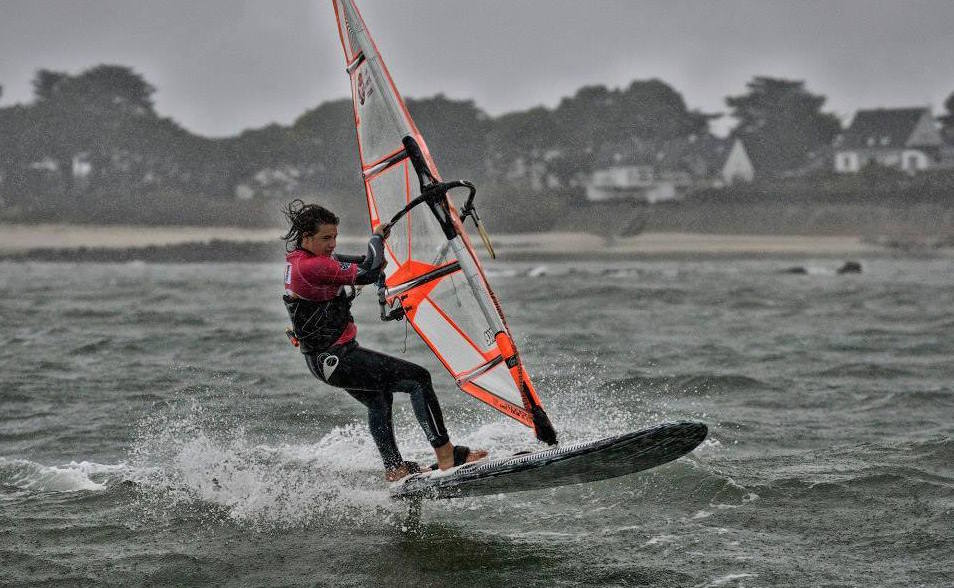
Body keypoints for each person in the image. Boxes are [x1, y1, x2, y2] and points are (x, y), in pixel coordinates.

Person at [280, 199, 487, 482]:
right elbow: (368, 272)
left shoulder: (300, 260)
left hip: (326, 361)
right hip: (337, 359)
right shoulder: (312, 267)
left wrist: (376, 248)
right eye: (326, 238)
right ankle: (446, 454)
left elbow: (364, 262)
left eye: (335, 237)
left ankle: (394, 468)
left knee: (378, 399)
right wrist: (376, 239)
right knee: (418, 379)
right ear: (306, 237)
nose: (332, 244)